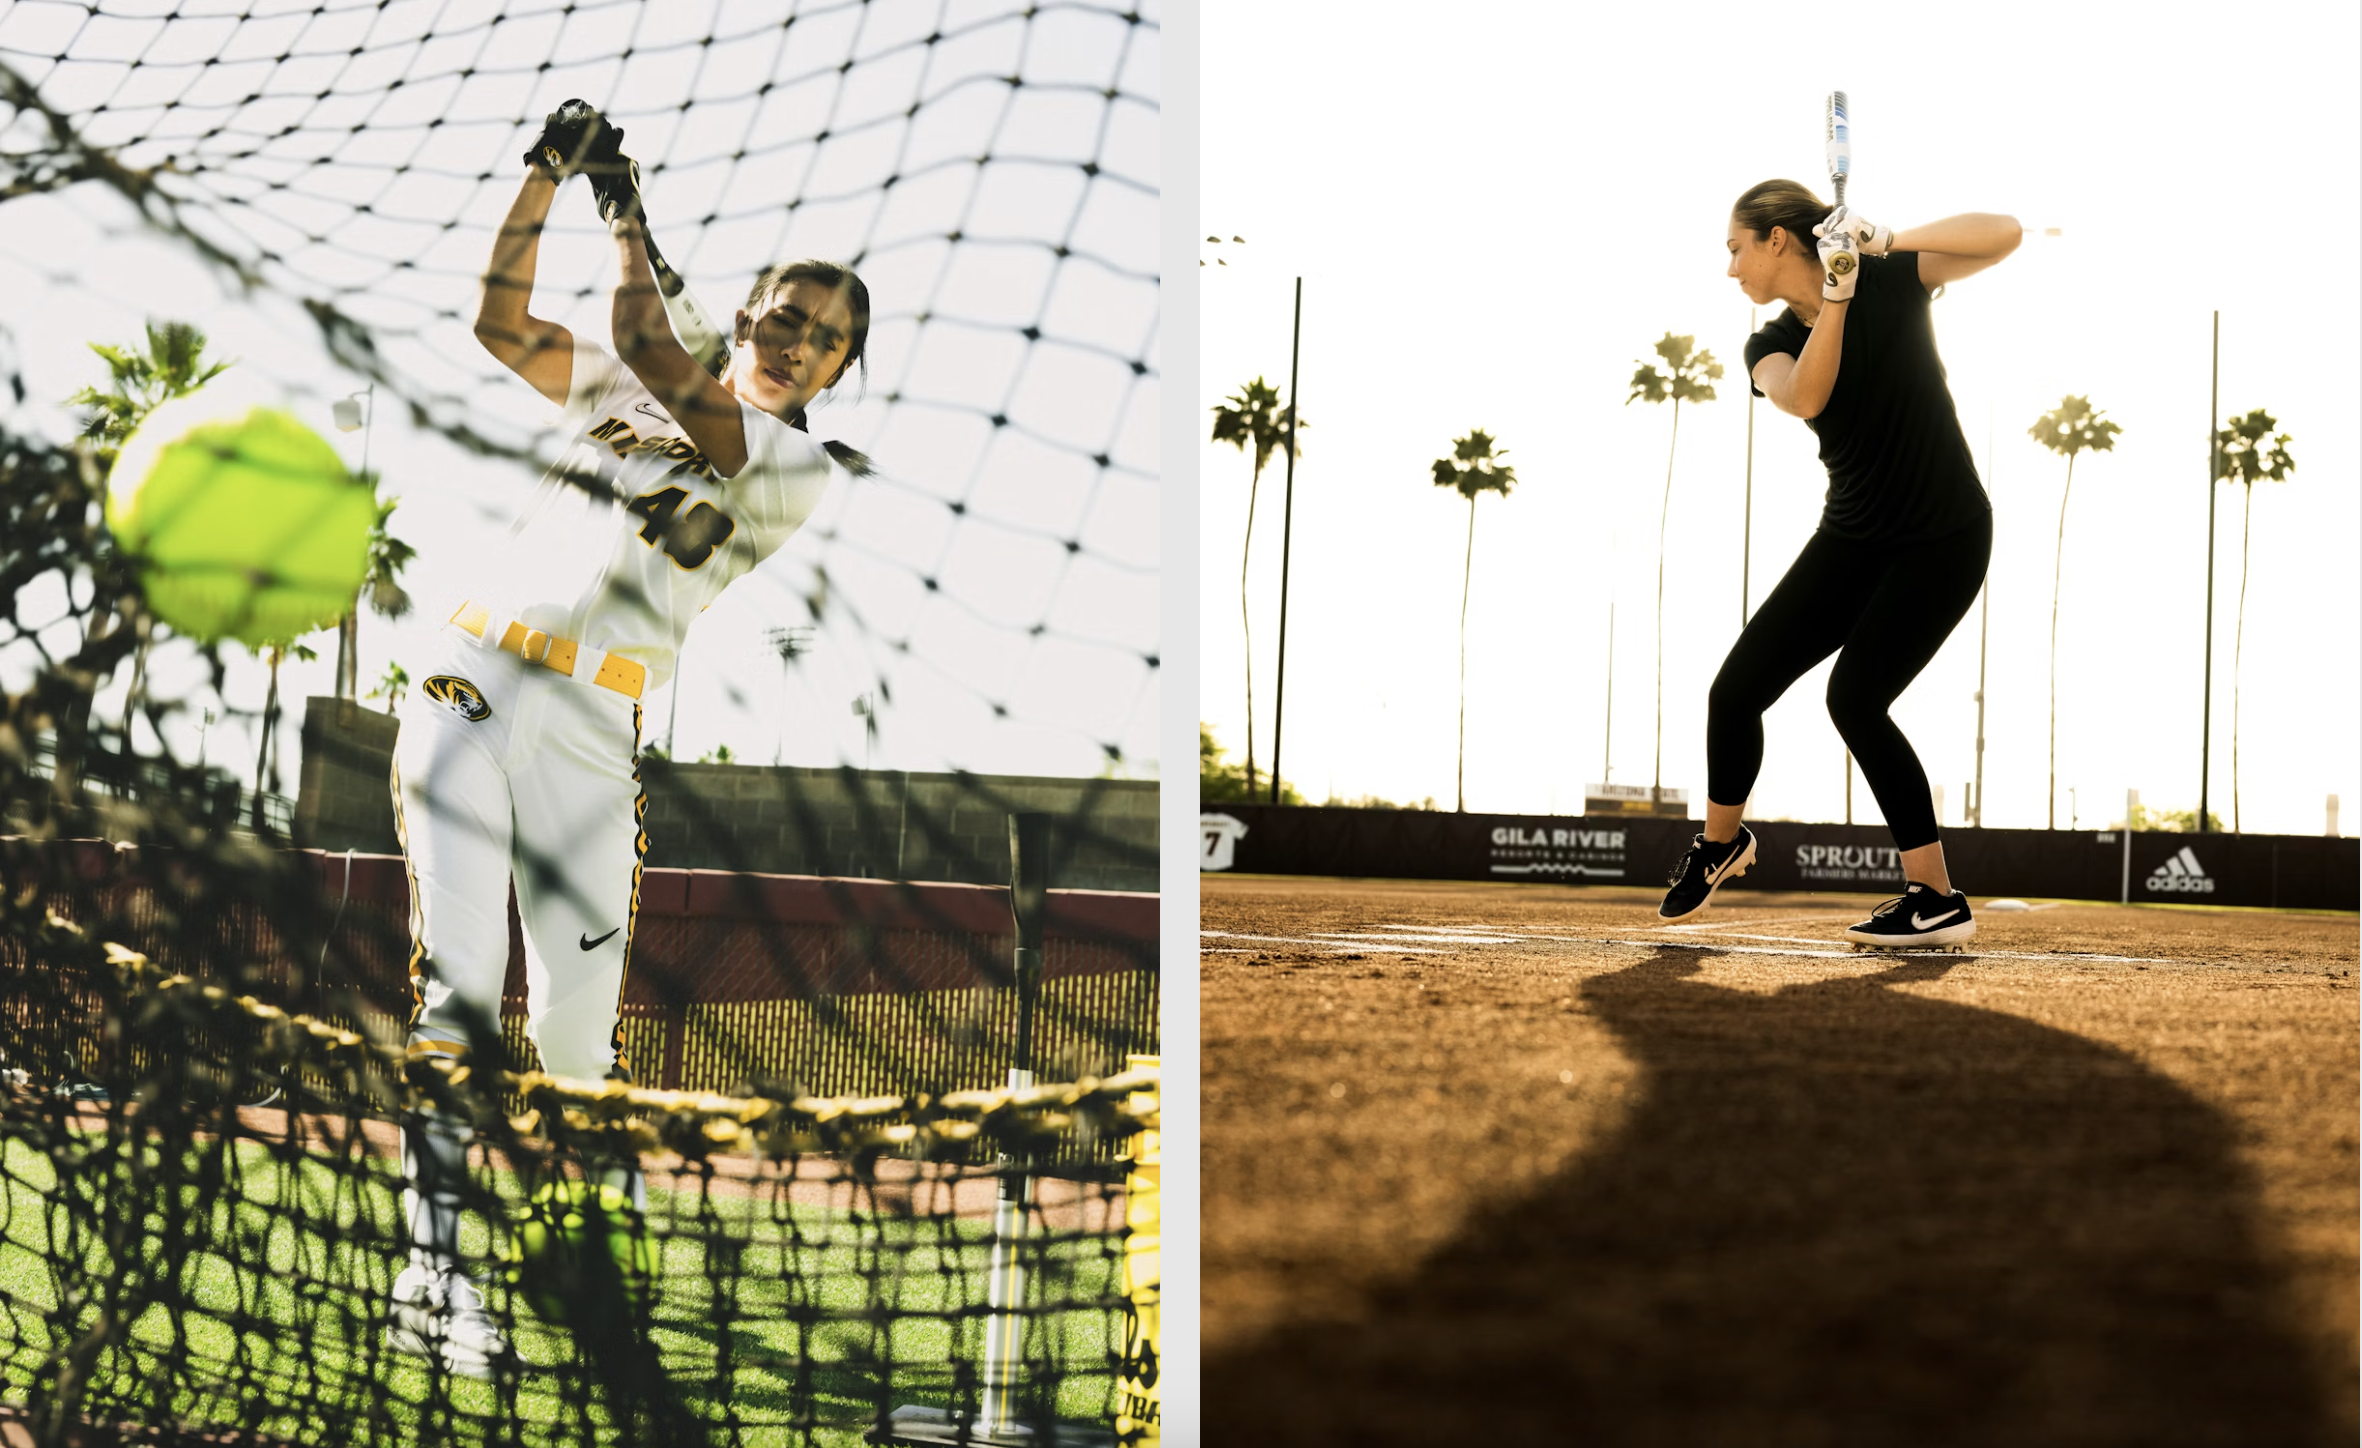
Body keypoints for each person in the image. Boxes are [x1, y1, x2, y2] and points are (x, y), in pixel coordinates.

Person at [384, 100, 870, 1375]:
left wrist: (621, 201)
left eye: (825, 335)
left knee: (578, 1045)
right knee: (462, 997)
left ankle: (572, 1259)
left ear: (833, 373)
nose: (797, 335)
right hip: (472, 675)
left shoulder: (792, 466)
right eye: (786, 307)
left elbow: (644, 337)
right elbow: (499, 319)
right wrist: (543, 177)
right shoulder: (647, 375)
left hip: (599, 726)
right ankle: (434, 1281)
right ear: (753, 305)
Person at [1655, 180, 2019, 949]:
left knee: (1855, 699)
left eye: (1734, 248)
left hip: (1944, 535)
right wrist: (1837, 299)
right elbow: (1809, 396)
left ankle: (1935, 896)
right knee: (1735, 692)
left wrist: (1884, 241)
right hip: (1854, 536)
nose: (1730, 270)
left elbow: (2005, 232)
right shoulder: (1768, 344)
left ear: (1775, 240)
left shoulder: (1891, 277)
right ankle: (1722, 844)